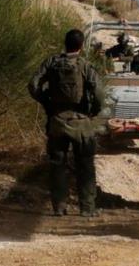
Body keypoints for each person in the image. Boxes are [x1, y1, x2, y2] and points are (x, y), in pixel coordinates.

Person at [28, 29, 105, 217]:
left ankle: (59, 207)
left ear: (65, 43)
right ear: (81, 45)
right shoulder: (85, 66)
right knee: (85, 166)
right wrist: (94, 110)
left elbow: (33, 84)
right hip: (82, 123)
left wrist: (46, 101)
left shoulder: (52, 63)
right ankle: (87, 208)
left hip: (57, 121)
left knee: (57, 165)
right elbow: (99, 92)